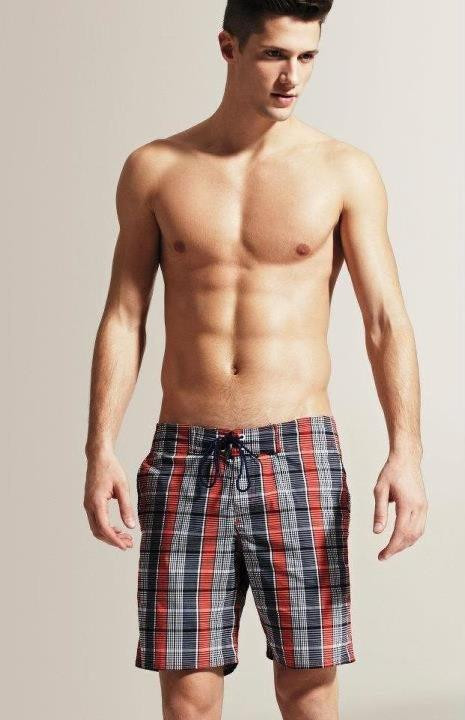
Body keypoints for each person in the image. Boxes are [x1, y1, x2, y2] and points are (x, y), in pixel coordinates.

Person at [83, 1, 428, 718]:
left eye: (307, 57)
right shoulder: (155, 168)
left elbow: (385, 321)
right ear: (228, 47)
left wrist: (406, 453)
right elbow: (123, 315)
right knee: (188, 698)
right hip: (185, 453)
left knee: (307, 688)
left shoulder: (342, 171)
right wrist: (99, 449)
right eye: (274, 54)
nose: (291, 76)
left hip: (297, 451)